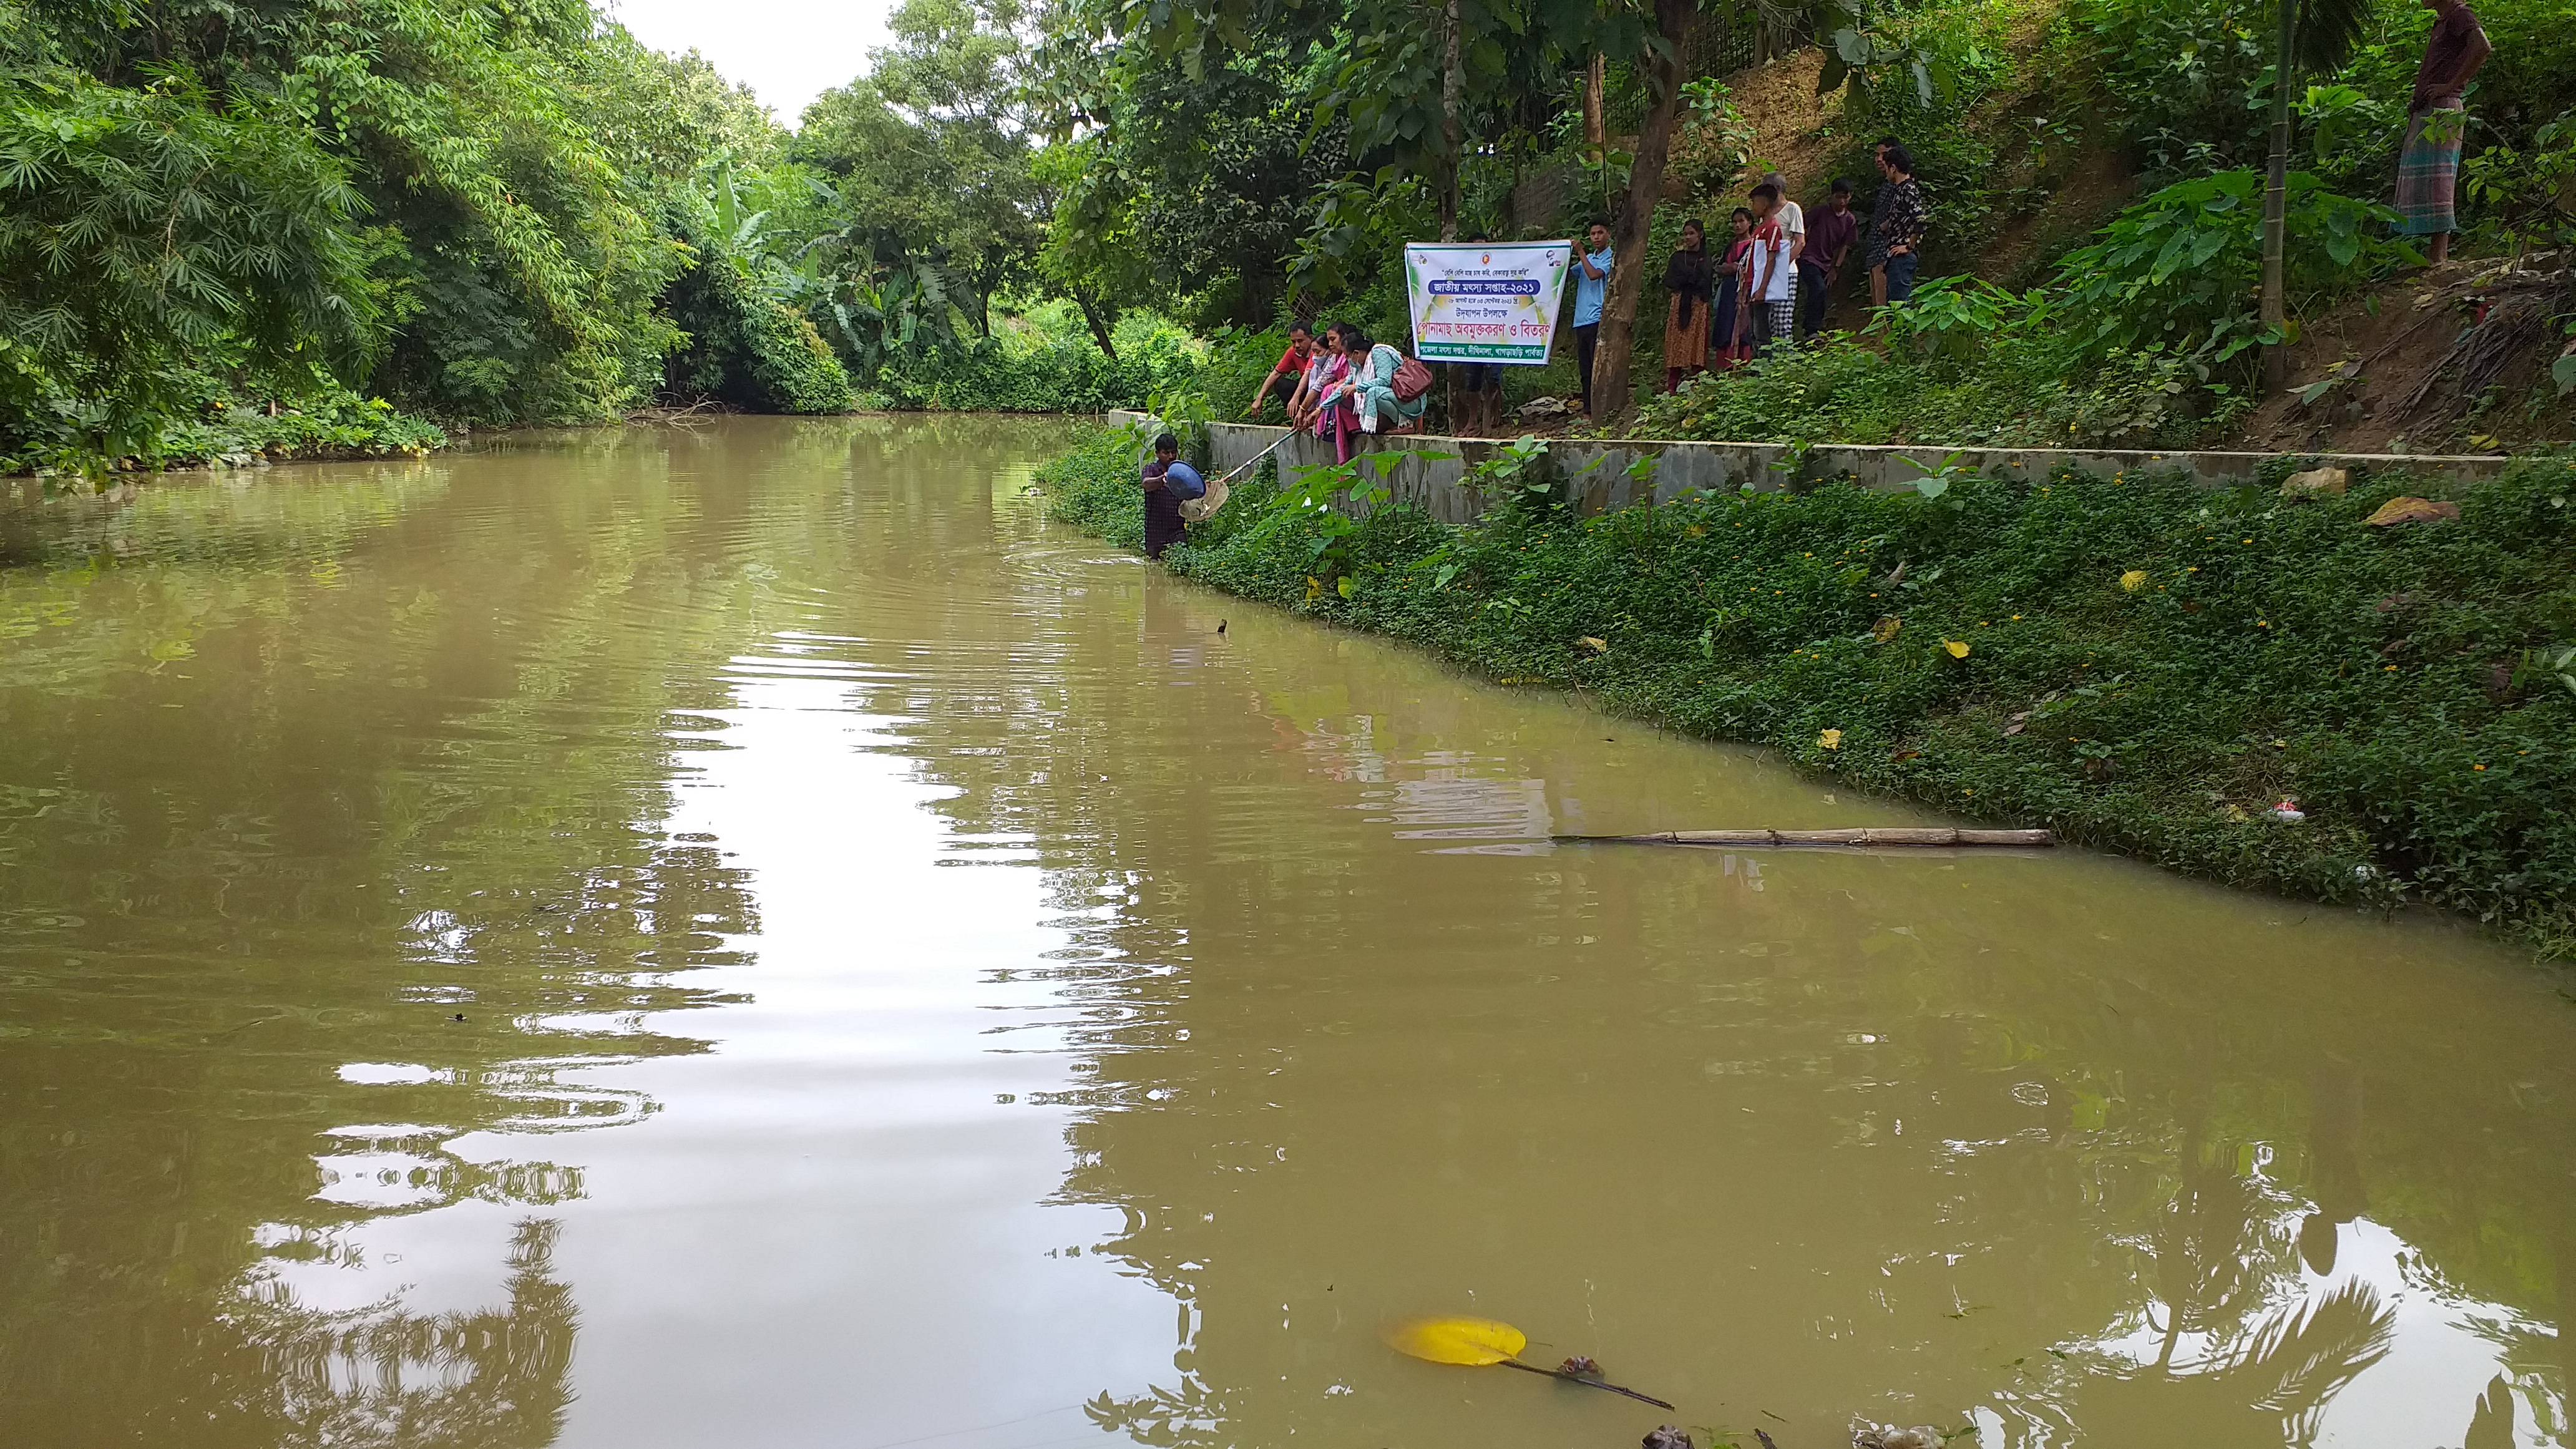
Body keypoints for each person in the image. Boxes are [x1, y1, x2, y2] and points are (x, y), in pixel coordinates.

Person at [2398, 0, 2491, 265]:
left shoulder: (2461, 14)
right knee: (2425, 180)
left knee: (2439, 180)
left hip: (2443, 110)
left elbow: (2482, 47)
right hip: (2429, 109)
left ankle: (2438, 257)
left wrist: (2450, 86)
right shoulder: (2443, 21)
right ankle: (2435, 256)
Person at [1324, 321, 1427, 436]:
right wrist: (1321, 409)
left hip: (1410, 399)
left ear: (1356, 353)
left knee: (1374, 393)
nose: (1348, 359)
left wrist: (1357, 387)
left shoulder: (1379, 353)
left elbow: (1384, 380)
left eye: (1348, 356)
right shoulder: (1360, 368)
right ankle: (1396, 423)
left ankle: (1405, 424)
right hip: (1397, 398)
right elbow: (1344, 386)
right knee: (1371, 392)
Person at [1454, 234, 1506, 433]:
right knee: (1472, 379)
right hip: (1471, 336)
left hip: (1496, 333)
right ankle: (1473, 420)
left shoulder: (1500, 271)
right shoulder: (1462, 273)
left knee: (1494, 377)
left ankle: (1492, 417)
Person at [1868, 143, 1927, 306]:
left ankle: (1905, 332)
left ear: (1893, 168)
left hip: (1902, 256)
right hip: (1894, 257)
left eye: (1887, 168)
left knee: (1901, 305)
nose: (1886, 172)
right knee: (1894, 304)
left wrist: (1909, 246)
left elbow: (1920, 219)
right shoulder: (1900, 190)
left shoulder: (1908, 190)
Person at [1661, 218, 1715, 393]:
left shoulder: (1705, 258)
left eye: (1691, 233)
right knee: (1675, 344)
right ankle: (1672, 386)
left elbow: (1706, 282)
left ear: (1700, 235)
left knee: (1696, 344)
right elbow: (1670, 279)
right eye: (1685, 234)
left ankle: (1697, 385)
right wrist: (1686, 282)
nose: (1688, 237)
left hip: (1698, 305)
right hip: (1679, 303)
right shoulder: (1677, 257)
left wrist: (1691, 283)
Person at [1742, 183, 1797, 358]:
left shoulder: (1772, 227)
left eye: (1755, 203)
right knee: (1754, 332)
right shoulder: (1760, 227)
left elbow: (1771, 258)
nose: (1753, 207)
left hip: (1760, 289)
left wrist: (1762, 289)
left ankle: (1765, 369)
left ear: (1765, 203)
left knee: (1762, 333)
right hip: (1753, 286)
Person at [1801, 178, 1858, 340]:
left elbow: (1845, 246)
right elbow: (1801, 226)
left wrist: (1836, 268)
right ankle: (1811, 330)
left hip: (1827, 263)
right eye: (1838, 197)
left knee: (1820, 292)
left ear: (1850, 197)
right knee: (1819, 288)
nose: (1842, 201)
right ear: (1832, 196)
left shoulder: (1850, 220)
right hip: (1809, 257)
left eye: (1845, 197)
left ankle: (1811, 327)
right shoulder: (1820, 211)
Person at [1571, 218, 1613, 415]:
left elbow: (1594, 275)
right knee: (1585, 367)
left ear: (1608, 234)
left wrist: (1580, 252)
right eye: (1593, 234)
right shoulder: (1589, 258)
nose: (1596, 237)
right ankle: (1588, 407)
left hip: (1597, 318)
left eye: (1600, 233)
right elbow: (1570, 273)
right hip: (1581, 319)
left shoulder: (1609, 257)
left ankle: (1601, 406)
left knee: (1598, 365)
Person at [1140, 432, 1199, 559]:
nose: (1171, 456)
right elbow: (1146, 484)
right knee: (1153, 567)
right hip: (1155, 532)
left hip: (1177, 530)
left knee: (1180, 561)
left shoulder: (1182, 473)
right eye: (1166, 453)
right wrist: (1162, 479)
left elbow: (1194, 491)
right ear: (1157, 453)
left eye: (1173, 452)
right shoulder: (1151, 470)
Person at [1246, 321, 1317, 418]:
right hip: (1305, 390)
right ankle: (1297, 417)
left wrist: (1295, 398)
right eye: (1293, 342)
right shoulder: (1293, 352)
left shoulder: (1317, 351)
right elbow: (1276, 373)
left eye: (1300, 341)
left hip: (1318, 390)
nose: (1296, 345)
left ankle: (1306, 415)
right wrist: (1259, 398)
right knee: (1281, 384)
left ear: (1310, 338)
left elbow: (1307, 374)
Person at [1711, 207, 1754, 369]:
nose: (1737, 225)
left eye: (1741, 221)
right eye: (1735, 222)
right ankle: (1724, 366)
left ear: (1749, 223)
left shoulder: (1753, 245)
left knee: (1742, 327)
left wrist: (1733, 268)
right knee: (1725, 325)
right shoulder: (1730, 246)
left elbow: (1745, 267)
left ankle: (1742, 364)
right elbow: (1720, 267)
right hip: (1728, 289)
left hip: (1744, 288)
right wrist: (1731, 268)